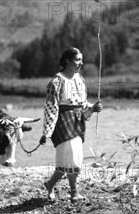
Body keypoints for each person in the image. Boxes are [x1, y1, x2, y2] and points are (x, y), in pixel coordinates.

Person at [39, 48, 103, 202]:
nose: (81, 63)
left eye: (81, 60)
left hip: (77, 122)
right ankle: (74, 193)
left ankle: (50, 184)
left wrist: (93, 108)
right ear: (67, 60)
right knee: (73, 159)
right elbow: (50, 108)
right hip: (62, 123)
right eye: (77, 60)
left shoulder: (80, 79)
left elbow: (82, 103)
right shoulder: (56, 81)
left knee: (65, 161)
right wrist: (46, 133)